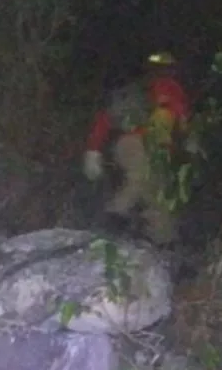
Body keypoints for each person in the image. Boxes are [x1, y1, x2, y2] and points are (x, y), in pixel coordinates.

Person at [82, 51, 192, 246]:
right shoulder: (171, 89)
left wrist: (94, 150)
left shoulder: (135, 91)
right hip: (144, 145)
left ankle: (163, 238)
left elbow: (105, 119)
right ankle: (114, 219)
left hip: (129, 145)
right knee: (142, 182)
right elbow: (182, 123)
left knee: (155, 193)